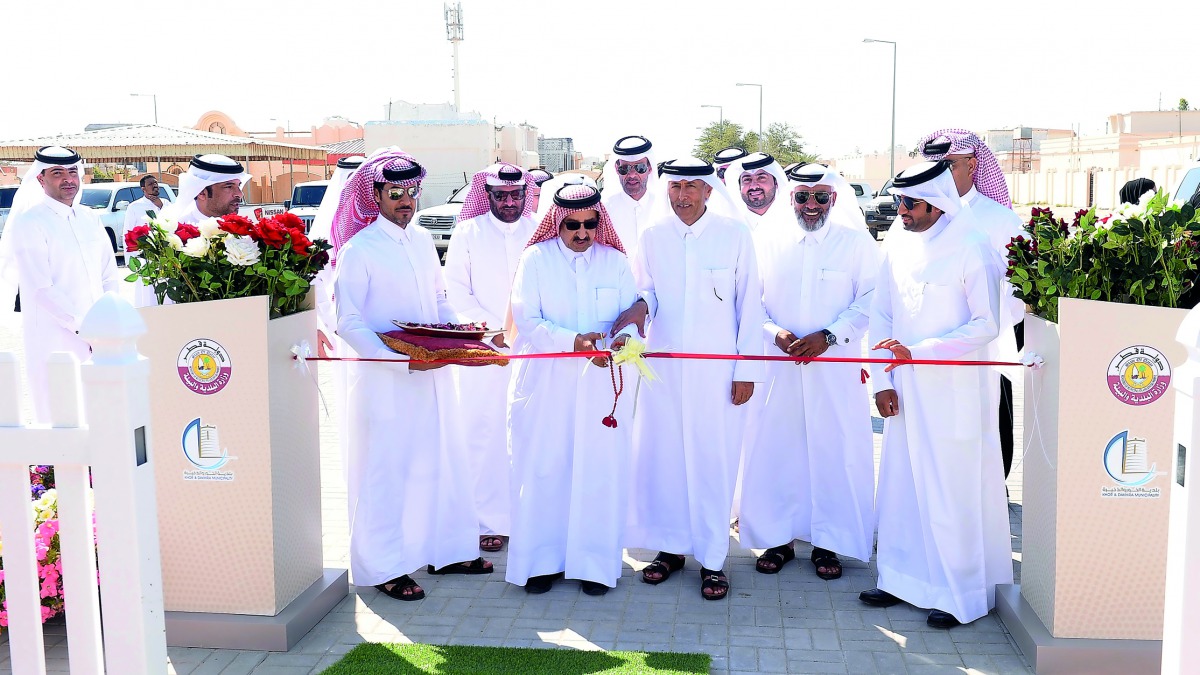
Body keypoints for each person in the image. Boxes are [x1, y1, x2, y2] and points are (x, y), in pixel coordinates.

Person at [331, 149, 493, 602]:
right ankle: (386, 566)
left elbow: (439, 302)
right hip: (387, 380)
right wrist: (397, 360)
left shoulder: (422, 241)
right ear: (376, 195)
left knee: (441, 459)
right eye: (395, 193)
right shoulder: (359, 248)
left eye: (411, 193)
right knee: (388, 470)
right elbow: (349, 321)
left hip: (432, 374)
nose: (405, 201)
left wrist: (459, 336)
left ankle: (448, 550)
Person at [862, 160, 1011, 629]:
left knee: (952, 491)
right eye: (897, 202)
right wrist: (883, 379)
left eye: (909, 203)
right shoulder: (897, 247)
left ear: (937, 203)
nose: (900, 211)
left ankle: (958, 594)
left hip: (956, 391)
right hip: (905, 388)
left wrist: (920, 352)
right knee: (902, 486)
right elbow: (880, 316)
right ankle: (901, 581)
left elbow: (987, 324)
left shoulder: (973, 248)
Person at [615, 158, 764, 601]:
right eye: (675, 187)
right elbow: (648, 291)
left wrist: (747, 369)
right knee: (665, 460)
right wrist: (642, 307)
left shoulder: (734, 235)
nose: (682, 196)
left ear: (708, 191)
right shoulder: (653, 236)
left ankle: (714, 561)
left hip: (719, 375)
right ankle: (670, 549)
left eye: (691, 188)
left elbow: (749, 307)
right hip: (664, 373)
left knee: (712, 463)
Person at [740, 163, 880, 581]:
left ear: (835, 199)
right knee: (779, 448)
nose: (812, 205)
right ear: (791, 199)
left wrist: (829, 336)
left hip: (834, 366)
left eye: (821, 197)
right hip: (779, 364)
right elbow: (750, 300)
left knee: (833, 450)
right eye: (803, 196)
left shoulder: (856, 243)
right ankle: (778, 539)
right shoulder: (767, 240)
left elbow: (871, 300)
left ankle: (829, 543)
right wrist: (775, 334)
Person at [506, 184, 639, 596]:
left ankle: (595, 566)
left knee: (598, 470)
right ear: (556, 221)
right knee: (545, 467)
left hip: (602, 382)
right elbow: (526, 318)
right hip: (547, 381)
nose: (582, 233)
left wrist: (625, 337)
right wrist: (573, 342)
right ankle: (541, 562)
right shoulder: (536, 259)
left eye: (590, 223)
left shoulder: (615, 261)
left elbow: (629, 313)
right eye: (572, 224)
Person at [919, 129, 1026, 480]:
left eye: (948, 165)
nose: (939, 172)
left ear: (973, 165)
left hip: (985, 346)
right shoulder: (923, 217)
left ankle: (995, 489)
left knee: (991, 417)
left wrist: (986, 330)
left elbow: (1020, 285)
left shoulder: (999, 220)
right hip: (927, 347)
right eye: (932, 164)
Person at [444, 162, 539, 553]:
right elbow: (455, 291)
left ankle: (531, 515)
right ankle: (487, 521)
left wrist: (525, 330)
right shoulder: (468, 232)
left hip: (533, 346)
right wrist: (491, 328)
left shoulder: (539, 229)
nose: (510, 202)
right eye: (501, 196)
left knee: (530, 429)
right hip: (483, 348)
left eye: (516, 195)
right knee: (482, 432)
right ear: (488, 196)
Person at [0, 146, 120, 422]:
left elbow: (109, 274)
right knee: (61, 411)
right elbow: (41, 288)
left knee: (103, 411)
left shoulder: (90, 217)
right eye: (58, 173)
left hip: (100, 334)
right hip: (55, 334)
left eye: (73, 172)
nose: (68, 179)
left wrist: (108, 321)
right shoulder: (30, 222)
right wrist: (85, 328)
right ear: (40, 180)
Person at [600, 136, 657, 261]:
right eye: (624, 168)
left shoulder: (664, 206)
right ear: (616, 169)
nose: (631, 175)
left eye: (639, 168)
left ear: (650, 168)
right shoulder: (603, 209)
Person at [161, 154, 251, 224]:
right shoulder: (173, 232)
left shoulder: (244, 232)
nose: (239, 194)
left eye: (238, 185)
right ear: (201, 193)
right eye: (229, 186)